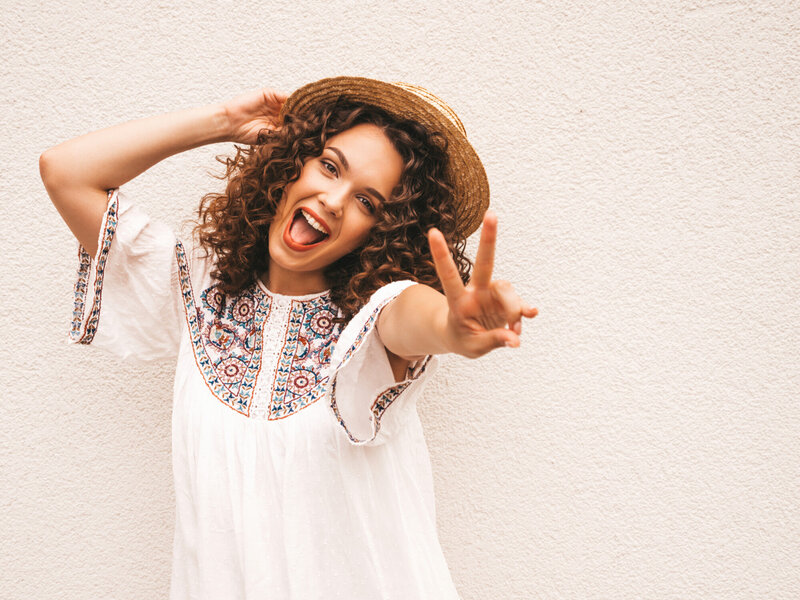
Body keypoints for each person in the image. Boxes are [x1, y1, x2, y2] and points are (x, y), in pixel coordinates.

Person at [39, 76, 538, 599]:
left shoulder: (374, 322)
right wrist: (225, 123)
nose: (333, 199)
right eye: (329, 166)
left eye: (368, 202)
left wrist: (453, 327)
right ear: (291, 163)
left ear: (384, 232)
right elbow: (66, 171)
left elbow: (416, 317)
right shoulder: (200, 288)